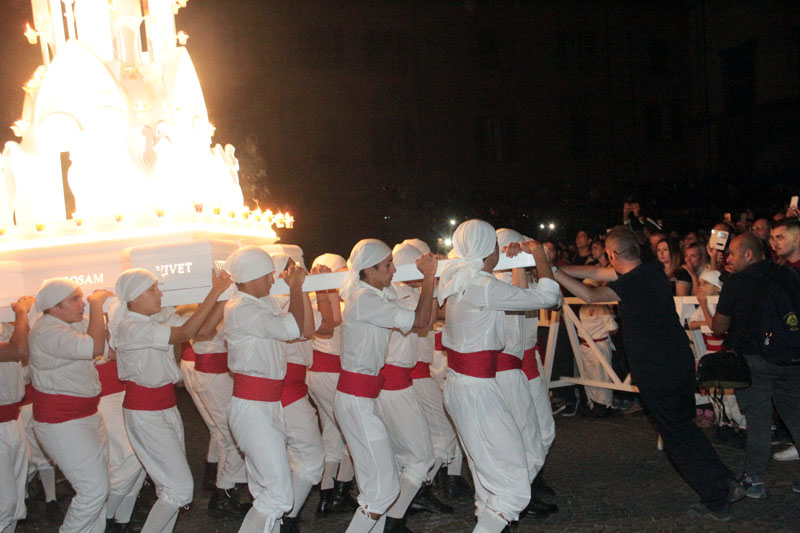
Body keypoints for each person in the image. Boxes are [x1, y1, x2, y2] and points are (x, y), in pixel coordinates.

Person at [553, 226, 745, 521]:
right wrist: (558, 266)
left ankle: (717, 498)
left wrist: (552, 272)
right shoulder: (651, 270)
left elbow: (590, 296)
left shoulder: (632, 283)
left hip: (658, 370)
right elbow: (601, 275)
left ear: (611, 254)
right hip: (677, 363)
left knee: (677, 438)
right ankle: (726, 482)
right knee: (685, 429)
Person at [438, 219, 560, 533]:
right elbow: (548, 298)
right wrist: (540, 257)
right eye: (493, 243)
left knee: (487, 476)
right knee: (514, 488)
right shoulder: (481, 285)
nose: (497, 249)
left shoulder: (460, 279)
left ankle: (488, 522)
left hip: (466, 386)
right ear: (483, 249)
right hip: (477, 390)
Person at [109, 267, 231, 532]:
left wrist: (223, 293)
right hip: (146, 411)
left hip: (164, 407)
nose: (159, 293)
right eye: (151, 289)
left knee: (170, 489)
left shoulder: (151, 321)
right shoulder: (130, 327)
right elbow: (185, 332)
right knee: (180, 490)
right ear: (133, 298)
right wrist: (216, 290)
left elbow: (203, 327)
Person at [334, 238, 436, 533]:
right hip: (357, 400)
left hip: (362, 398)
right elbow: (420, 321)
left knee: (383, 486)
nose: (394, 270)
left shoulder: (368, 295)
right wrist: (428, 277)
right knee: (381, 490)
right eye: (388, 265)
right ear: (368, 270)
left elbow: (421, 318)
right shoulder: (364, 299)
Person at [222, 246, 305, 533]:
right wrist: (296, 287)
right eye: (268, 276)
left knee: (265, 491)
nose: (273, 281)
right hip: (253, 407)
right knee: (279, 496)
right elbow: (292, 329)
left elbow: (302, 327)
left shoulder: (257, 304)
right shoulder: (241, 308)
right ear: (252, 276)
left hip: (265, 405)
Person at [711, 232, 800, 499]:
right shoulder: (789, 275)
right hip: (791, 357)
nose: (729, 259)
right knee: (796, 416)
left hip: (754, 359)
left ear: (748, 254)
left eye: (733, 254)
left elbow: (719, 326)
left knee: (758, 419)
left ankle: (754, 479)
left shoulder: (737, 282)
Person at [30, 279, 113, 533]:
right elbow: (95, 347)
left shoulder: (68, 323)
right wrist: (97, 305)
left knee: (100, 489)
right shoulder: (47, 331)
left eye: (82, 297)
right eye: (75, 299)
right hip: (61, 422)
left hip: (84, 415)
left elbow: (108, 345)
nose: (82, 303)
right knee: (94, 489)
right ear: (54, 308)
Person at [271, 252, 325, 531]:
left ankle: (283, 516)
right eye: (295, 268)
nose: (301, 272)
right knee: (311, 459)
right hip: (288, 391)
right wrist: (299, 287)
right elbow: (305, 329)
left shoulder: (275, 303)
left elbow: (317, 325)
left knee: (291, 458)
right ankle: (285, 521)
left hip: (286, 390)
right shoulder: (278, 304)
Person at [306, 253, 359, 514]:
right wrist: (327, 285)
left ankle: (328, 493)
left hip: (319, 371)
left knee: (332, 433)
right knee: (352, 429)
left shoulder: (319, 293)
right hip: (330, 371)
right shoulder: (324, 294)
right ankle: (341, 489)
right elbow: (335, 320)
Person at [0, 296, 34, 533]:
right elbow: (19, 348)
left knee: (17, 501)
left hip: (13, 418)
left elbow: (26, 342)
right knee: (6, 502)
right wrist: (22, 313)